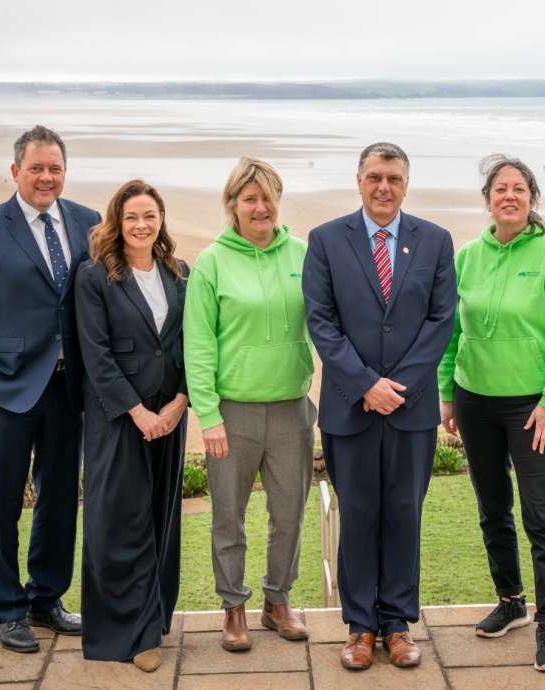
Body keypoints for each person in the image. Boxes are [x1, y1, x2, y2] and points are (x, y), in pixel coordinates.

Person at [303, 142, 456, 671]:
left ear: (406, 183)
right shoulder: (325, 240)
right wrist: (367, 385)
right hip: (350, 408)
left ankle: (397, 624)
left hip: (411, 412)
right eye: (374, 177)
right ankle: (360, 626)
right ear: (359, 181)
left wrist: (400, 387)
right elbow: (321, 322)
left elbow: (441, 322)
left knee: (404, 515)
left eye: (393, 177)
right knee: (360, 515)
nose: (383, 187)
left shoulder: (435, 241)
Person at [0, 126, 99, 652]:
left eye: (55, 168)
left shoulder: (88, 222)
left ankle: (46, 599)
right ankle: (7, 608)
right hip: (7, 389)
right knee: (3, 503)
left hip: (69, 388)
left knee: (59, 499)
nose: (46, 177)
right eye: (36, 168)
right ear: (15, 171)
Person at [438, 155, 545, 672]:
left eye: (519, 188)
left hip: (531, 406)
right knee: (492, 508)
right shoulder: (468, 255)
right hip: (475, 399)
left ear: (532, 199)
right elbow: (453, 329)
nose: (510, 196)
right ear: (488, 199)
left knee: (542, 515)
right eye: (501, 188)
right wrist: (447, 391)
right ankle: (512, 601)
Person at [184, 157, 316, 653]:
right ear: (233, 205)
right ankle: (233, 606)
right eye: (249, 199)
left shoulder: (303, 253)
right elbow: (198, 346)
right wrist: (209, 416)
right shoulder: (212, 262)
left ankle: (277, 600)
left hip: (292, 408)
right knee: (228, 517)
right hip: (232, 413)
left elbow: (327, 322)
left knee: (289, 513)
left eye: (268, 198)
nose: (260, 208)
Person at [74, 180, 189, 672]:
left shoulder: (179, 272)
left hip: (171, 414)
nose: (141, 225)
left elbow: (191, 341)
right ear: (116, 223)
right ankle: (126, 634)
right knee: (120, 522)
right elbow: (95, 355)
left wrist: (180, 403)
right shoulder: (94, 277)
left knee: (160, 516)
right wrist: (137, 412)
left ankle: (154, 618)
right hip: (119, 417)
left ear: (161, 219)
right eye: (132, 218)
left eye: (150, 216)